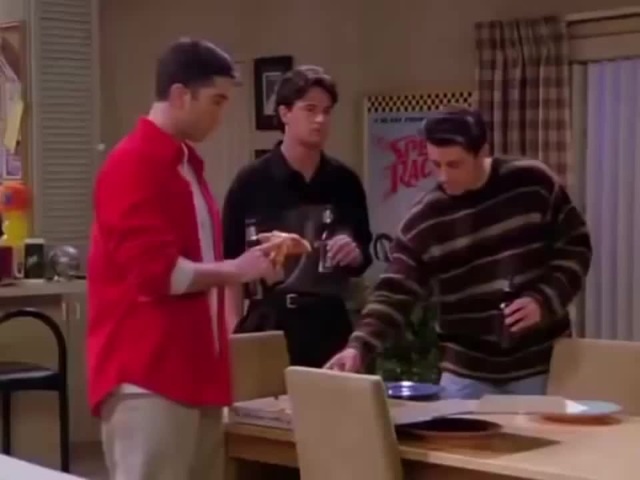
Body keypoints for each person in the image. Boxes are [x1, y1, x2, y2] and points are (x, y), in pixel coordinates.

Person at [87, 39, 275, 480]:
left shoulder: (186, 164)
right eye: (216, 101)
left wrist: (249, 265)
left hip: (197, 371)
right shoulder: (133, 163)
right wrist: (236, 270)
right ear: (180, 95)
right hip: (149, 375)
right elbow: (156, 274)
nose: (220, 115)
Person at [326, 106, 593, 399]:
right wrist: (358, 347)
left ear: (483, 152)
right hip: (466, 370)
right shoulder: (425, 220)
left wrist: (544, 299)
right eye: (434, 164)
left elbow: (576, 246)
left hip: (540, 362)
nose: (443, 176)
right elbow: (394, 292)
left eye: (454, 165)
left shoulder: (532, 183)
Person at [223, 65, 373, 368]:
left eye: (327, 112)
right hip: (268, 322)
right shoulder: (251, 182)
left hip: (329, 321)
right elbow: (229, 268)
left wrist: (354, 253)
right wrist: (232, 335)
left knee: (331, 398)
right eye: (310, 109)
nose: (320, 120)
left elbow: (363, 255)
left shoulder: (344, 182)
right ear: (285, 113)